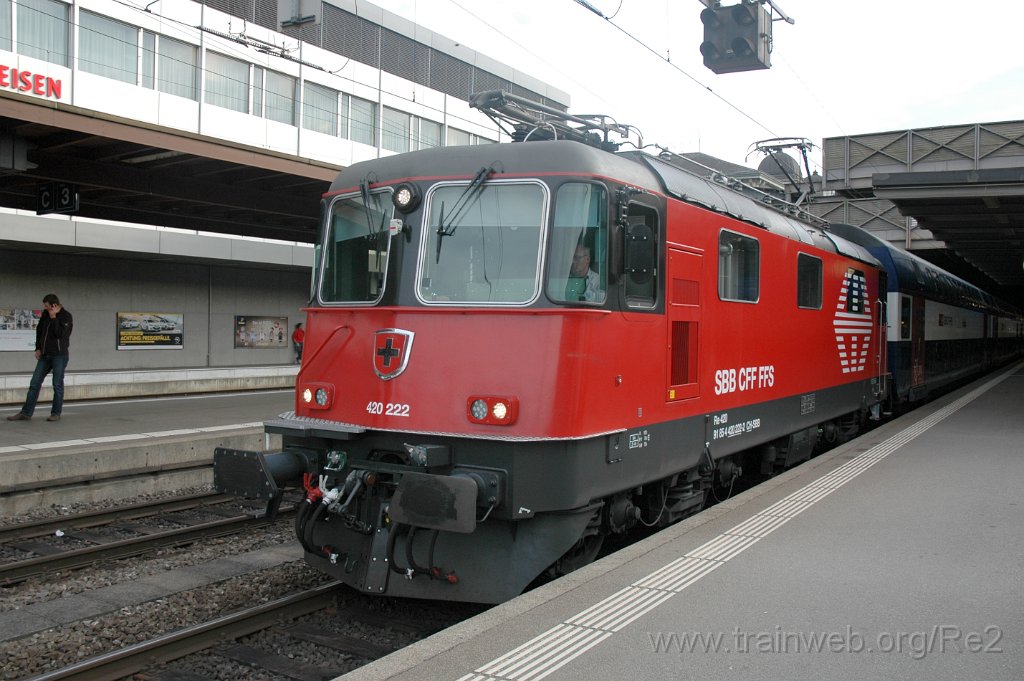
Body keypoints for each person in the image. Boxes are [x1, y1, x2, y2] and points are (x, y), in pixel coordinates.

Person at [7, 294, 74, 422]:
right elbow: (40, 331)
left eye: (47, 306)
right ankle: (26, 412)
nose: (45, 308)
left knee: (57, 384)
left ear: (54, 305)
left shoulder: (66, 316)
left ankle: (55, 413)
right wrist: (38, 348)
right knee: (34, 383)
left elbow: (60, 334)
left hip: (59, 355)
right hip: (45, 355)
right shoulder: (45, 315)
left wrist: (54, 317)